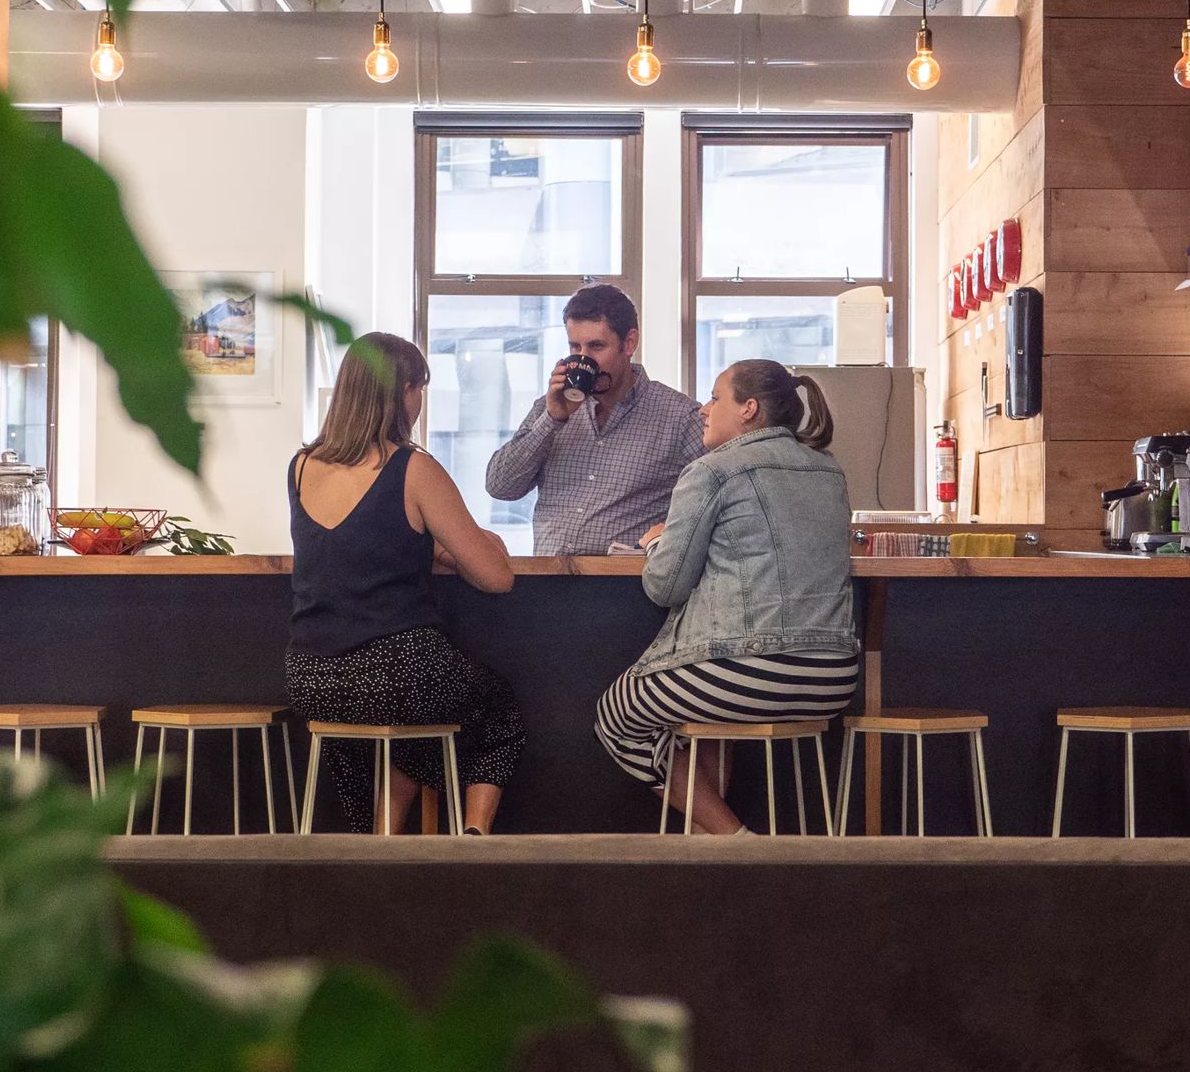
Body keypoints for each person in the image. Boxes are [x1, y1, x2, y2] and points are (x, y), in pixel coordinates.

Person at [594, 359, 859, 833]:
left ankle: (736, 841)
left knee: (617, 712)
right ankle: (711, 858)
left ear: (749, 409)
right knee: (710, 731)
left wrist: (655, 542)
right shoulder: (829, 470)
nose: (702, 409)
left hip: (749, 670)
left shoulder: (712, 471)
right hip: (832, 679)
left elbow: (665, 586)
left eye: (716, 397)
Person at [287, 331, 524, 835]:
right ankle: (475, 837)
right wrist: (474, 546)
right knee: (497, 707)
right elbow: (495, 577)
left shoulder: (302, 466)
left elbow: (363, 543)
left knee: (412, 731)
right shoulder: (414, 468)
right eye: (419, 388)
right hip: (398, 670)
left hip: (313, 678)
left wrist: (427, 547)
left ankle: (380, 844)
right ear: (405, 393)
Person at [485, 284, 704, 555]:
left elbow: (713, 504)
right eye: (575, 346)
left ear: (629, 343)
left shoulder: (680, 417)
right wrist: (552, 420)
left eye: (597, 346)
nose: (584, 359)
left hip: (625, 586)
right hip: (550, 579)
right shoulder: (549, 407)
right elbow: (500, 487)